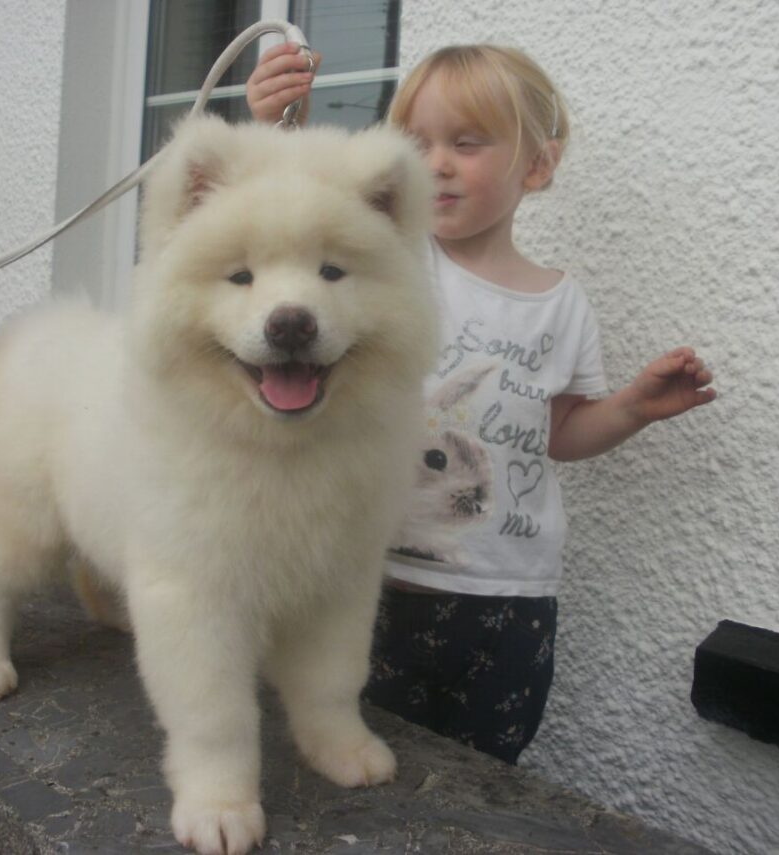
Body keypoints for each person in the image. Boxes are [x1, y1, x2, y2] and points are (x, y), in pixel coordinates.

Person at [248, 43, 715, 764]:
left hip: (512, 599)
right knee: (352, 763)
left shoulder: (561, 303)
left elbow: (559, 432)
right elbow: (288, 216)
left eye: (466, 144)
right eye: (416, 143)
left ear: (538, 165)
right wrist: (272, 126)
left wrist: (631, 408)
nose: (435, 163)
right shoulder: (386, 261)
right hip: (377, 580)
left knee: (482, 777)